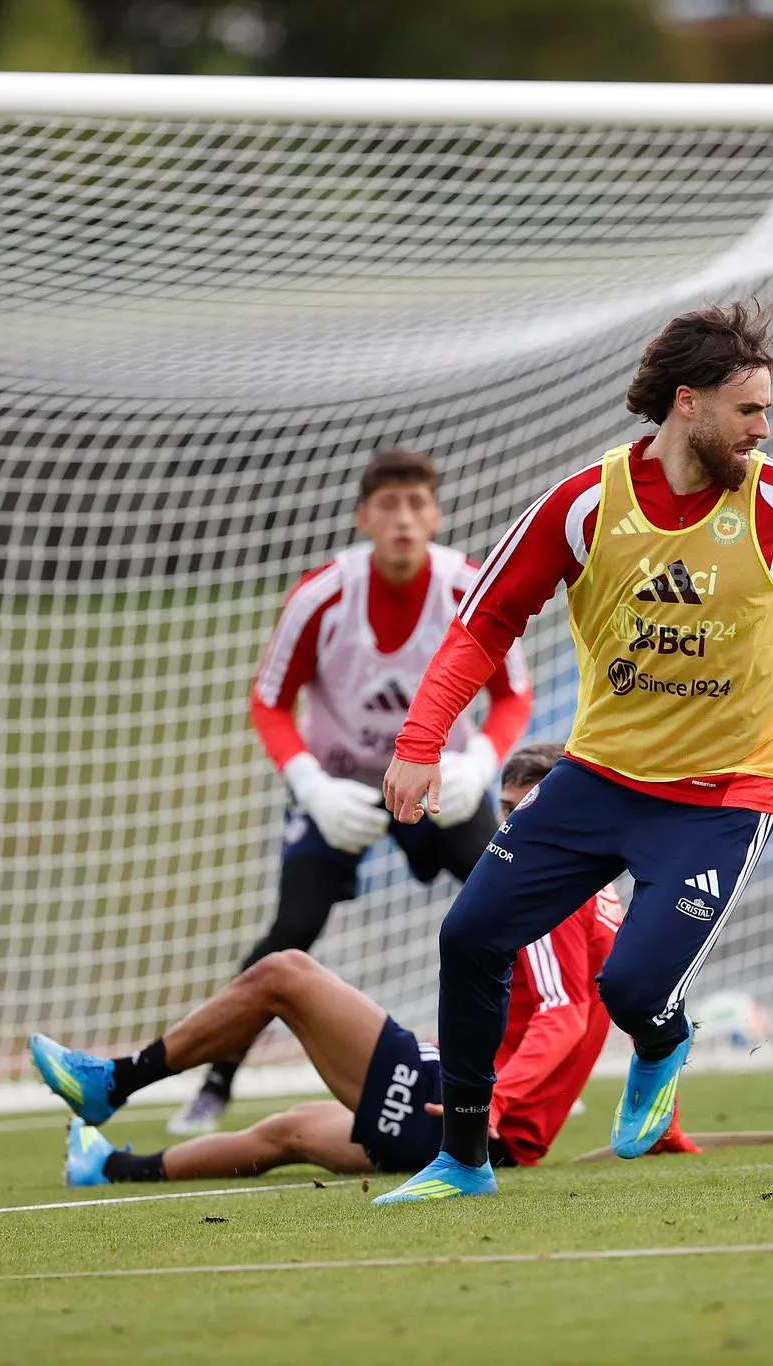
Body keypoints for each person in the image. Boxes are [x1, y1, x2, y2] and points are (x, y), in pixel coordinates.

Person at [371, 300, 773, 1202]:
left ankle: (663, 1041)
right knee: (471, 935)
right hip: (599, 777)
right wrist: (420, 742)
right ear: (689, 403)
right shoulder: (587, 502)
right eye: (748, 411)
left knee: (631, 987)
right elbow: (485, 621)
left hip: (723, 793)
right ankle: (464, 1162)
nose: (763, 429)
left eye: (767, 411)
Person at [28, 743, 694, 1184]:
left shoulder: (552, 891)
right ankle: (110, 1168)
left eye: (526, 811)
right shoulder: (603, 897)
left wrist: (495, 1103)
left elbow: (563, 1011)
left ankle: (112, 1083)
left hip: (464, 1111)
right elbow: (634, 1009)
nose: (510, 826)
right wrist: (661, 1118)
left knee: (284, 973)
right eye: (506, 811)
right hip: (497, 1137)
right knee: (289, 1130)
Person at [168, 446, 532, 1136]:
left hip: (436, 783)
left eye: (417, 503)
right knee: (290, 935)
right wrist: (310, 785)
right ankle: (214, 1085)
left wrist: (480, 765)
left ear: (437, 514)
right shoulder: (323, 594)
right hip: (340, 795)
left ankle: (518, 1077)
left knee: (509, 907)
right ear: (364, 517)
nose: (404, 518)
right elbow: (269, 701)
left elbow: (513, 693)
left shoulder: (467, 586)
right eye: (389, 504)